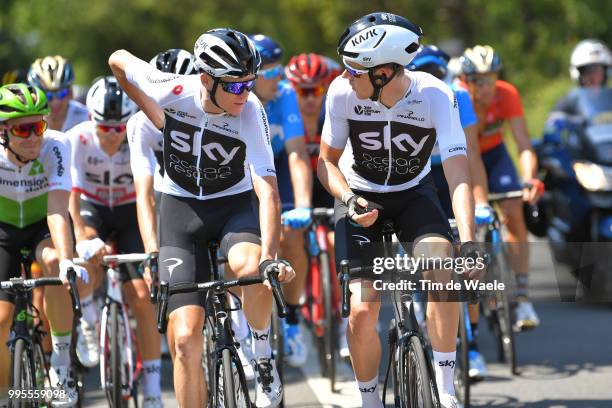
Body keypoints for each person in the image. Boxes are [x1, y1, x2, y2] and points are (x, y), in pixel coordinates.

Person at [109, 28, 295, 408]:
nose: (246, 93)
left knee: (252, 269)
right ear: (206, 80)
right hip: (180, 211)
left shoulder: (251, 109)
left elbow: (268, 189)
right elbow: (118, 60)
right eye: (236, 86)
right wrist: (148, 107)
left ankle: (261, 355)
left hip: (233, 204)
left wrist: (271, 256)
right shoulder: (171, 90)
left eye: (250, 83)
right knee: (184, 340)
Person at [318, 12, 480, 408]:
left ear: (385, 72)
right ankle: (369, 399)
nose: (344, 76)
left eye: (354, 68)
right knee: (362, 309)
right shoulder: (341, 94)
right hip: (360, 197)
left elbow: (460, 174)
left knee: (441, 269)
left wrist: (470, 240)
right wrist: (349, 200)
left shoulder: (436, 95)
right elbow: (326, 162)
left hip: (413, 194)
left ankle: (444, 388)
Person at [66, 76, 163, 407]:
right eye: (103, 127)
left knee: (142, 297)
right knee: (85, 264)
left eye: (118, 128)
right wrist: (83, 236)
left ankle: (151, 391)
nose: (111, 135)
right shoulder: (75, 138)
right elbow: (71, 196)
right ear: (90, 118)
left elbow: (149, 195)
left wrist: (153, 248)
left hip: (129, 211)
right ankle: (90, 322)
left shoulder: (139, 135)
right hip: (92, 209)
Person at [0, 83, 88, 407]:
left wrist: (67, 260)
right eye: (24, 129)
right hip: (3, 231)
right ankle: (7, 392)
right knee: (0, 319)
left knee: (53, 264)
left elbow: (56, 210)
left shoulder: (56, 146)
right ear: (3, 132)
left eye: (39, 125)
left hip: (41, 226)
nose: (35, 135)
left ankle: (62, 363)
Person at [408, 44, 490, 380]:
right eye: (424, 71)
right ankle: (420, 304)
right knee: (430, 256)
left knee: (466, 255)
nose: (432, 78)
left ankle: (471, 345)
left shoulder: (458, 96)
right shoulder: (407, 96)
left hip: (453, 174)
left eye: (438, 71)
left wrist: (481, 202)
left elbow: (472, 156)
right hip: (421, 178)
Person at [459, 45, 544, 331]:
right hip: (464, 158)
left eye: (492, 78)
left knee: (513, 210)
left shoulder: (506, 94)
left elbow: (522, 144)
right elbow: (468, 151)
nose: (488, 86)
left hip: (495, 157)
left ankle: (522, 297)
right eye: (480, 80)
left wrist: (529, 178)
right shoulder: (457, 97)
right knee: (468, 219)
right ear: (467, 80)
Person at [250, 33, 313, 367]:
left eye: (281, 71)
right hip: (243, 177)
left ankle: (293, 316)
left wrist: (302, 204)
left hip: (280, 172)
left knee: (292, 237)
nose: (280, 79)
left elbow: (297, 154)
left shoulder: (285, 95)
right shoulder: (239, 99)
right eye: (272, 73)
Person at [27, 56, 89, 132]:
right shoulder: (29, 122)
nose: (56, 102)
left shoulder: (86, 118)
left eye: (62, 93)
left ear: (70, 92)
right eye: (47, 96)